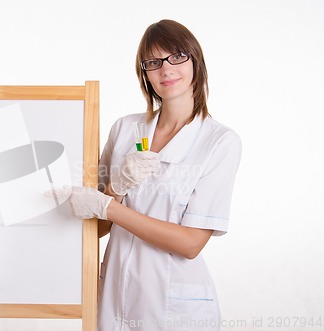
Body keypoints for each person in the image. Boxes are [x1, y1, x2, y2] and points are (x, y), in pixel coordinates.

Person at [69, 19, 242, 330]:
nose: (166, 69)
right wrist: (115, 189)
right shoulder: (125, 129)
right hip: (114, 296)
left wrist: (110, 206)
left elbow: (191, 244)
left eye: (177, 56)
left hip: (175, 307)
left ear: (195, 61)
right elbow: (96, 229)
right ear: (144, 73)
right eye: (153, 62)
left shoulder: (219, 142)